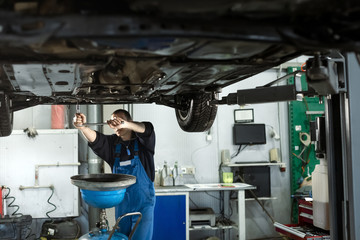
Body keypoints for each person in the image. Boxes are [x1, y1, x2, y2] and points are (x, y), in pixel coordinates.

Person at [73, 109, 156, 240]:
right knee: (121, 238)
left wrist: (125, 124)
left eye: (120, 120)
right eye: (114, 120)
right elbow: (96, 139)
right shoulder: (113, 145)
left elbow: (147, 128)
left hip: (143, 205)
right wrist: (82, 127)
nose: (117, 124)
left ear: (129, 121)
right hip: (122, 205)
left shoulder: (143, 143)